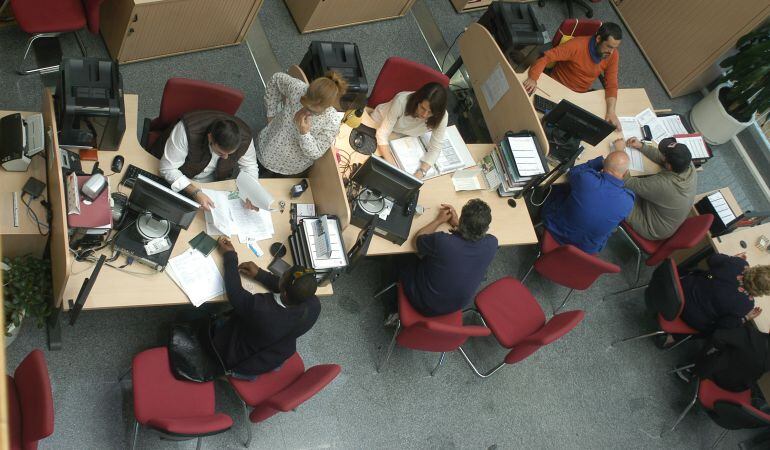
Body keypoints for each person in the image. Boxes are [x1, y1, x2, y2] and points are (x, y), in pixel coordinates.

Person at [211, 237, 321, 380]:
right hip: (272, 354)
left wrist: (230, 256)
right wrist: (261, 275)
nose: (280, 275)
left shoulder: (262, 309)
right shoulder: (314, 305)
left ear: (284, 292)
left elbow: (235, 294)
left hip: (241, 360)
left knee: (214, 319)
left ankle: (223, 368)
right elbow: (291, 290)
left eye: (282, 276)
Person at [398, 199, 498, 317]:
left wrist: (439, 220)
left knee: (403, 253)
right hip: (454, 307)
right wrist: (457, 224)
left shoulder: (444, 242)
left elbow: (417, 241)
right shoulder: (492, 243)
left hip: (424, 303)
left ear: (462, 220)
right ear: (486, 229)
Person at [524, 22, 623, 130]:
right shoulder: (576, 45)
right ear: (598, 39)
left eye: (615, 48)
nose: (611, 52)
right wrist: (533, 78)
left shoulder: (612, 55)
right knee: (541, 123)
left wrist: (611, 112)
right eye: (609, 46)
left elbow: (612, 84)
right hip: (557, 88)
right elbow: (546, 57)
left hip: (579, 96)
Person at [155, 111, 260, 211]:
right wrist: (195, 192)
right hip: (181, 174)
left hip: (210, 182)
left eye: (230, 153)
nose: (226, 158)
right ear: (210, 138)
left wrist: (252, 192)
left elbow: (250, 166)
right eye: (220, 153)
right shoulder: (186, 131)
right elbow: (168, 169)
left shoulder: (245, 138)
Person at [541, 151, 634, 254]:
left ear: (604, 164)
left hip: (556, 231)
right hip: (587, 250)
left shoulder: (586, 179)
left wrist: (598, 162)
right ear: (625, 173)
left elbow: (573, 171)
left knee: (560, 188)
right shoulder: (629, 201)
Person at [258, 71, 347, 177]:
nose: (307, 112)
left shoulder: (332, 121)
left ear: (327, 107)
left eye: (314, 112)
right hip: (268, 145)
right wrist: (271, 113)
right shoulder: (297, 89)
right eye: (305, 106)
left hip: (289, 165)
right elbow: (276, 79)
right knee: (256, 168)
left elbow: (316, 153)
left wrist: (304, 134)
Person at [613, 137, 697, 240]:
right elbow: (663, 159)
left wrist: (620, 152)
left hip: (651, 227)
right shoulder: (687, 163)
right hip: (661, 211)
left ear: (669, 166)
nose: (662, 155)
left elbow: (627, 181)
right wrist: (641, 146)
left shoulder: (664, 184)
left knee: (615, 188)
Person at [371, 82, 449, 179]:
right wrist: (394, 169)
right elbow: (382, 134)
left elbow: (435, 148)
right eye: (422, 108)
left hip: (402, 137)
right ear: (417, 101)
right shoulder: (401, 101)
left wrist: (420, 172)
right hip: (379, 123)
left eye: (430, 112)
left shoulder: (441, 116)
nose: (424, 115)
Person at [679, 253, 768, 334]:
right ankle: (673, 338)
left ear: (759, 268)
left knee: (705, 275)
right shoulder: (746, 304)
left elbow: (711, 259)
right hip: (691, 316)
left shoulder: (739, 264)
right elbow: (722, 326)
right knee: (711, 330)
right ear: (764, 291)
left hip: (680, 289)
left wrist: (733, 258)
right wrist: (745, 318)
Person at [693, 325, 770, 393]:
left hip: (715, 374)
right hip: (737, 387)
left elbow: (717, 336)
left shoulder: (750, 335)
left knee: (720, 337)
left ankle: (695, 369)